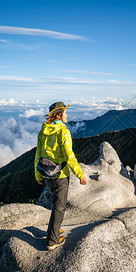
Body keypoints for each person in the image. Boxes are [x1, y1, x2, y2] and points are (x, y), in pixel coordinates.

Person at [34, 102, 86, 250]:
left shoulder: (43, 131)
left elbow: (38, 154)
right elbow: (69, 156)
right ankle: (52, 240)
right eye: (65, 113)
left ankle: (56, 229)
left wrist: (38, 175)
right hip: (60, 174)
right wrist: (80, 174)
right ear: (58, 114)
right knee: (59, 206)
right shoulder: (63, 131)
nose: (67, 115)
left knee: (55, 203)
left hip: (46, 173)